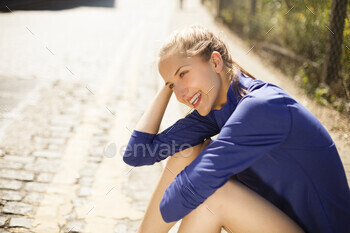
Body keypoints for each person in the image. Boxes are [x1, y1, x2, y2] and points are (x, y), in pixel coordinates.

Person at [123, 25, 350, 233]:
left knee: (212, 198)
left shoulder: (262, 106)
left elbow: (184, 194)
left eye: (183, 74)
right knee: (189, 153)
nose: (180, 93)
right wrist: (167, 84)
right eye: (173, 85)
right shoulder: (216, 108)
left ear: (215, 62)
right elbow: (138, 153)